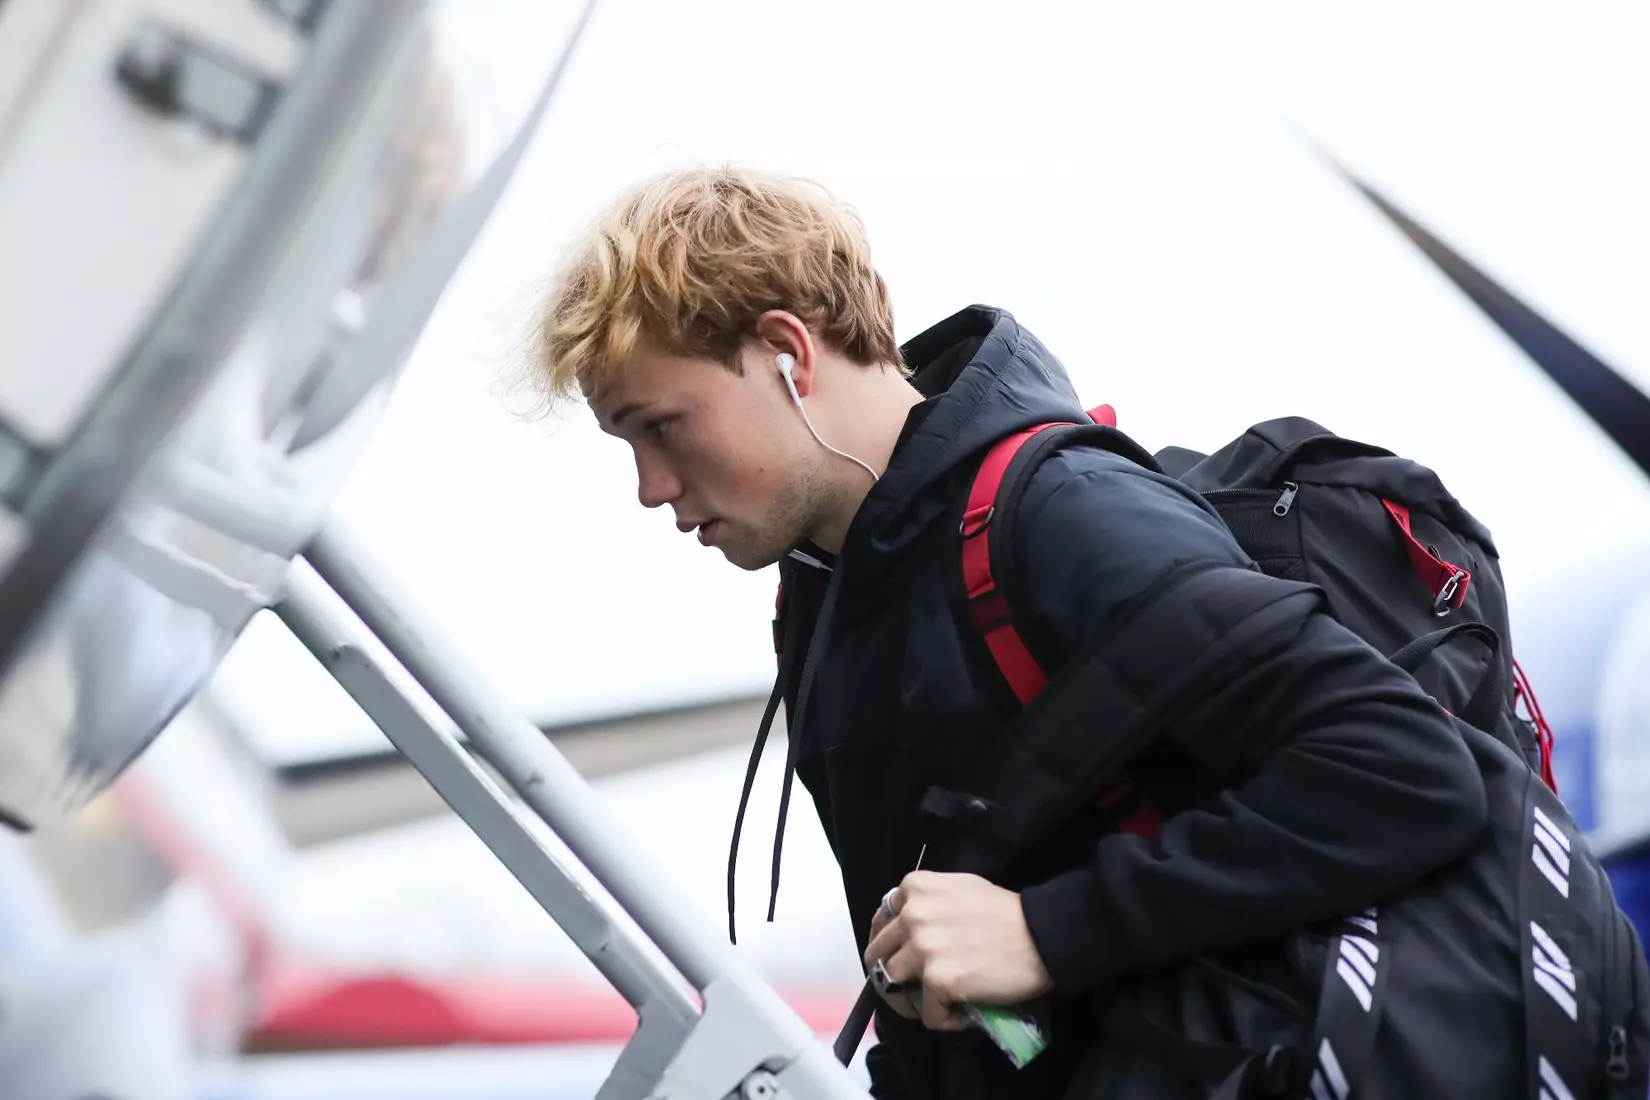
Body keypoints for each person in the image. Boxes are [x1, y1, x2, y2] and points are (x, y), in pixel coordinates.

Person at [527, 166, 1489, 1099]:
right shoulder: (831, 600)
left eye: (661, 427)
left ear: (790, 353)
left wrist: (1047, 930)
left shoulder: (1065, 514)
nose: (652, 487)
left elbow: (1405, 766)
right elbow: (947, 966)